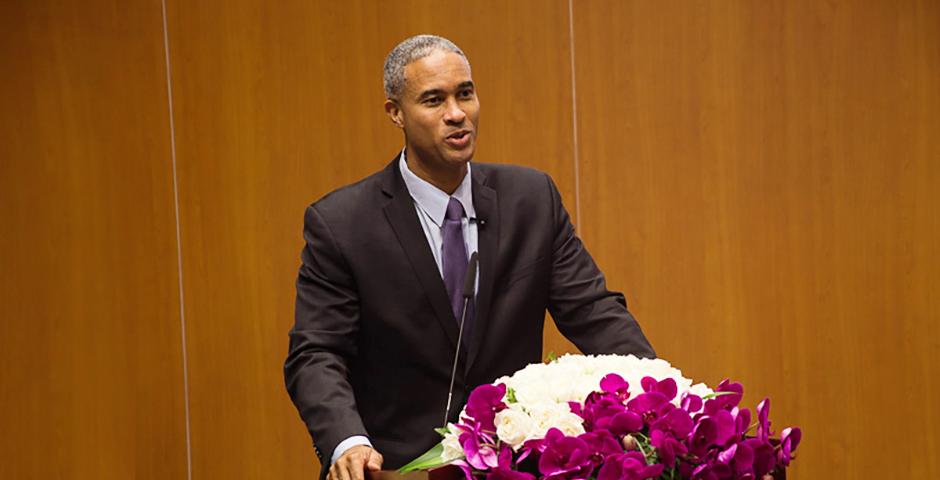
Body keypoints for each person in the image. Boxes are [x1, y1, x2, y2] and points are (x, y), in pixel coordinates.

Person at [284, 34, 655, 480]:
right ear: (395, 113)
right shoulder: (342, 224)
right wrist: (348, 440)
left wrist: (659, 399)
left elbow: (595, 312)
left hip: (510, 464)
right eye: (433, 100)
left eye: (465, 93)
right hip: (395, 468)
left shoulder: (530, 200)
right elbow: (317, 352)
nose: (457, 114)